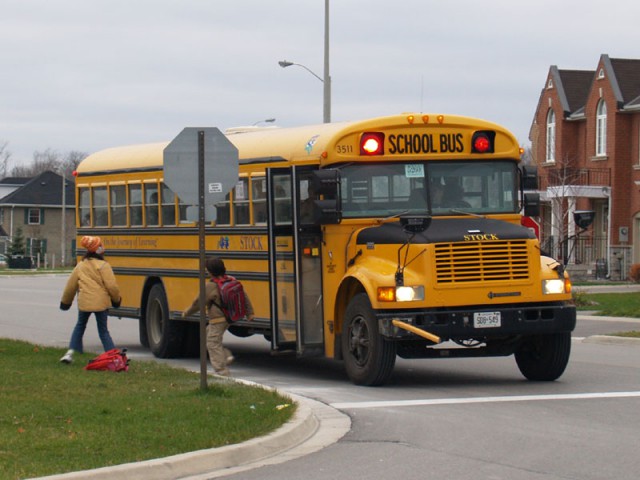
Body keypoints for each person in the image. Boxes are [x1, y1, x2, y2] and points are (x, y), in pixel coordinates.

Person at [182, 257, 254, 377]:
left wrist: (187, 313)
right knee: (208, 335)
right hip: (230, 317)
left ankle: (221, 371)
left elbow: (198, 303)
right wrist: (250, 313)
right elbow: (244, 296)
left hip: (218, 319)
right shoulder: (231, 280)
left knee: (212, 343)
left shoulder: (210, 286)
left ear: (209, 271)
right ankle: (227, 356)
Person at [59, 236, 122, 364]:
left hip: (84, 302)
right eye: (101, 246)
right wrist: (116, 300)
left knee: (80, 326)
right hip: (101, 304)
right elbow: (112, 286)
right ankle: (113, 358)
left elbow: (71, 286)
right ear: (98, 250)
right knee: (103, 331)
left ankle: (69, 353)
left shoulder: (81, 266)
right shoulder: (104, 266)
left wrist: (66, 302)